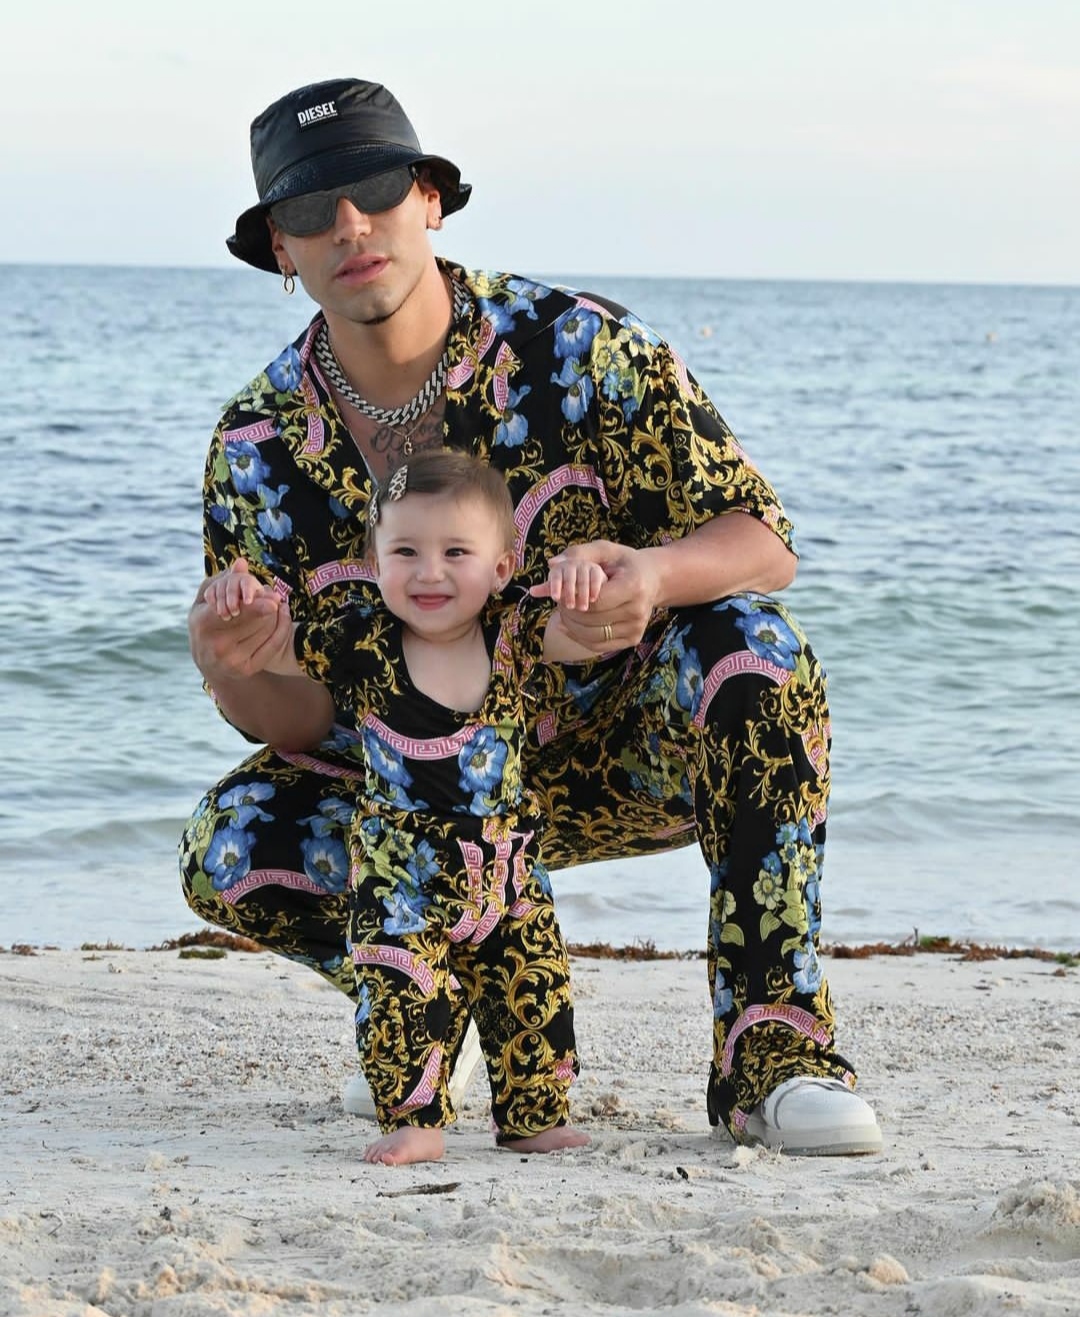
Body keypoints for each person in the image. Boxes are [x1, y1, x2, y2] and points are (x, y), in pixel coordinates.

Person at [182, 76, 883, 1157]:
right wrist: (234, 666)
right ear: (282, 246)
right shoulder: (256, 446)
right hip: (420, 800)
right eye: (312, 208)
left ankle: (772, 1052)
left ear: (429, 200)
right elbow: (302, 722)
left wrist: (652, 574)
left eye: (376, 189)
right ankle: (435, 1000)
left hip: (616, 748)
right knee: (230, 844)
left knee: (756, 652)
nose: (351, 225)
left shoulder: (578, 348)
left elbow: (762, 539)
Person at [202, 450, 598, 1164]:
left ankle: (533, 1115)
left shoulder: (515, 632)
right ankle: (417, 1119)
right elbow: (276, 645)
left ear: (501, 568)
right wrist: (243, 603)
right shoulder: (361, 642)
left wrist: (584, 580)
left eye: (456, 552)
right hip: (400, 878)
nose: (429, 572)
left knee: (534, 990)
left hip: (507, 869)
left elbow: (588, 627)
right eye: (406, 551)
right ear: (374, 563)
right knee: (399, 996)